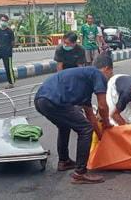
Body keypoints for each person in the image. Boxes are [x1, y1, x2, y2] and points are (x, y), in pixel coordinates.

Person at [34, 54, 113, 184]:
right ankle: (80, 173)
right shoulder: (97, 74)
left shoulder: (85, 81)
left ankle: (64, 161)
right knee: (85, 129)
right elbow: (103, 107)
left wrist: (101, 137)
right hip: (53, 100)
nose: (109, 76)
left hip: (41, 100)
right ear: (106, 69)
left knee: (65, 125)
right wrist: (108, 124)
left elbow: (90, 116)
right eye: (111, 72)